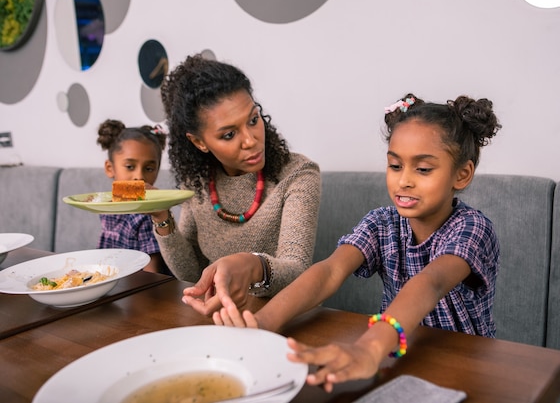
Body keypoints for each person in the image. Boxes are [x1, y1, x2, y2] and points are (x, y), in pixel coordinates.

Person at [209, 93, 503, 392]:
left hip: (467, 367)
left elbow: (431, 282)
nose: (404, 181)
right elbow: (330, 271)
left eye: (423, 169)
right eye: (395, 166)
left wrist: (369, 348)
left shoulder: (472, 228)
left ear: (462, 174)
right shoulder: (381, 223)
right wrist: (263, 323)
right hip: (402, 358)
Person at [151, 54, 321, 314]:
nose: (251, 140)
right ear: (199, 142)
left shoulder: (298, 174)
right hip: (221, 319)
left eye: (253, 120)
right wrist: (162, 219)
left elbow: (296, 267)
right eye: (229, 134)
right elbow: (192, 273)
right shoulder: (197, 184)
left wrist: (249, 265)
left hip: (286, 320)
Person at [96, 119, 170, 274]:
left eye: (149, 168)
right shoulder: (105, 207)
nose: (139, 176)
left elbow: (152, 272)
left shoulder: (148, 215)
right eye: (130, 167)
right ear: (110, 168)